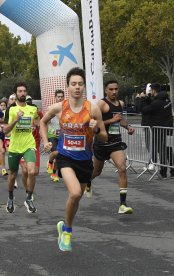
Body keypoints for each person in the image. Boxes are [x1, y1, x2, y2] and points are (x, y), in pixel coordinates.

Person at [40, 67, 107, 252]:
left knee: (76, 200)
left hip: (85, 161)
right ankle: (68, 232)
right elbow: (42, 122)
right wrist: (46, 142)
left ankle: (64, 226)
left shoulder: (92, 109)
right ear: (68, 86)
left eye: (80, 84)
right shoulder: (59, 107)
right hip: (65, 158)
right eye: (73, 84)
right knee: (76, 193)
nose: (77, 87)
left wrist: (95, 129)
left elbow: (104, 137)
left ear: (84, 86)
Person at [88, 80, 135, 214]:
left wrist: (128, 127)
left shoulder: (120, 104)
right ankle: (88, 181)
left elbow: (119, 119)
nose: (114, 92)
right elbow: (94, 122)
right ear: (106, 90)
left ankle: (122, 205)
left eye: (116, 89)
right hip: (101, 143)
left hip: (115, 142)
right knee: (96, 172)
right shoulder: (101, 104)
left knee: (122, 168)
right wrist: (111, 121)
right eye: (111, 89)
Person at [3, 82, 39, 214]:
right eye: (20, 91)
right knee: (13, 174)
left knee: (32, 171)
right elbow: (5, 130)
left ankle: (29, 198)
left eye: (24, 91)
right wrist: (16, 120)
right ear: (15, 93)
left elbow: (37, 120)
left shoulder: (32, 108)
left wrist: (37, 126)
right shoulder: (11, 109)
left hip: (29, 144)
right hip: (15, 146)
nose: (22, 93)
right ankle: (10, 197)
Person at [138, 83, 174, 178]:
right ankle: (172, 170)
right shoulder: (167, 99)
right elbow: (156, 106)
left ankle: (163, 172)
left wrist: (142, 99)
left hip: (159, 129)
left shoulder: (156, 103)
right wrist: (149, 99)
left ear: (154, 90)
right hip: (168, 129)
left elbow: (144, 110)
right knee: (169, 149)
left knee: (161, 150)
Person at [46, 90, 65, 182]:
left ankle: (54, 174)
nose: (60, 98)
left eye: (62, 96)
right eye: (58, 96)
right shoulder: (51, 108)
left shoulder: (66, 109)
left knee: (59, 156)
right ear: (55, 97)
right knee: (56, 153)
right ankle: (50, 162)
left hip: (62, 136)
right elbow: (45, 122)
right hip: (52, 135)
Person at [0, 98, 9, 176]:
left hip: (7, 134)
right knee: (3, 151)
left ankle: (0, 155)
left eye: (4, 105)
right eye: (1, 105)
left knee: (8, 151)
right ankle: (3, 169)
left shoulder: (8, 113)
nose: (3, 107)